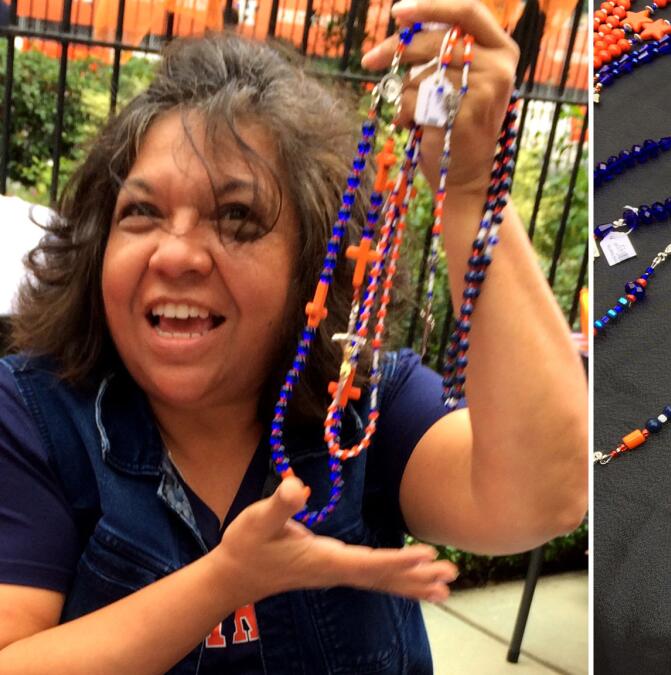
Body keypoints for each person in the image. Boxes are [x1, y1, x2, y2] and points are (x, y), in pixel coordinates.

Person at [0, 0, 588, 672]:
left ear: (312, 268)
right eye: (142, 211)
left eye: (238, 216)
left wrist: (472, 187)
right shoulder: (35, 419)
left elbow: (542, 494)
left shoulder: (365, 408)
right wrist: (226, 580)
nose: (177, 254)